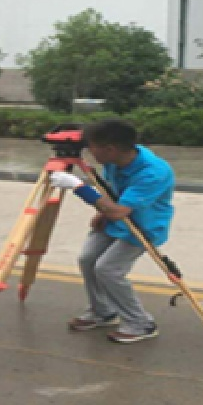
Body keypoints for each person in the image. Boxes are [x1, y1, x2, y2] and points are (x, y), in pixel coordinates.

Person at [49, 119, 175, 343]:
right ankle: (102, 311)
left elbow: (118, 211)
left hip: (142, 226)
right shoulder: (115, 158)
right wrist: (102, 212)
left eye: (92, 147)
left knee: (108, 269)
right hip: (115, 217)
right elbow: (110, 192)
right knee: (87, 259)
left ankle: (140, 323)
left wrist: (78, 187)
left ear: (110, 149)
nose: (88, 151)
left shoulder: (153, 172)